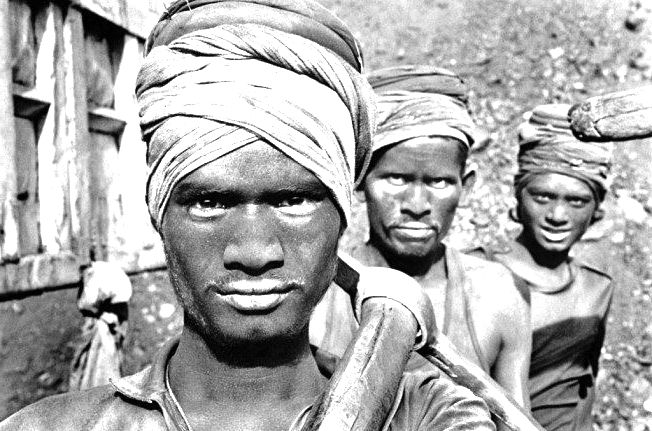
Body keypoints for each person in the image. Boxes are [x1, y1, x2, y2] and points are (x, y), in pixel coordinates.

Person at [0, 2, 495, 430]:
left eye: (293, 201)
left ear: (343, 213)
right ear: (158, 213)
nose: (255, 252)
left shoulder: (427, 415)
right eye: (210, 203)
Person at [310, 66, 532, 423]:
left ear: (467, 185)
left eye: (439, 182)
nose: (416, 204)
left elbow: (516, 422)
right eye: (396, 179)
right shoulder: (318, 296)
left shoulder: (497, 296)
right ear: (360, 181)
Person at [475, 104, 614, 431]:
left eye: (577, 201)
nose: (557, 216)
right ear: (518, 195)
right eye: (542, 197)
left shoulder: (597, 289)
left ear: (596, 209)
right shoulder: (476, 274)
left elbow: (582, 389)